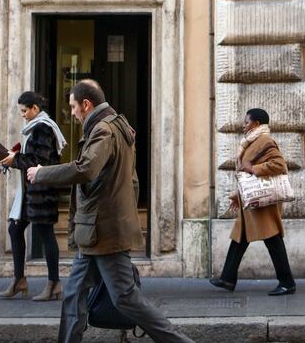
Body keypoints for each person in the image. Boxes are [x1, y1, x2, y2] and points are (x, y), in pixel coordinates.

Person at [26, 80, 192, 343]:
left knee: (126, 299)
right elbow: (133, 181)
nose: (72, 113)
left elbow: (85, 169)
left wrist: (42, 172)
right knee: (73, 296)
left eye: (73, 107)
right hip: (96, 230)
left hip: (105, 232)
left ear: (86, 104)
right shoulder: (116, 126)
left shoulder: (103, 130)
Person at [209, 108, 296, 296]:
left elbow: (279, 165)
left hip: (263, 204)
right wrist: (237, 194)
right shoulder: (251, 142)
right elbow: (245, 176)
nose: (243, 125)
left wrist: (254, 168)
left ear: (256, 124)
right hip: (252, 203)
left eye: (246, 122)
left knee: (273, 240)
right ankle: (227, 278)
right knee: (239, 238)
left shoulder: (265, 140)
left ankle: (287, 282)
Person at [0, 91, 67, 301]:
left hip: (42, 192)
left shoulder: (43, 128)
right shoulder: (35, 128)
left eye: (25, 110)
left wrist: (14, 159)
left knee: (45, 234)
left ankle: (54, 283)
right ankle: (19, 280)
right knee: (15, 228)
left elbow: (41, 160)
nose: (23, 115)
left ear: (35, 109)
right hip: (32, 193)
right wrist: (15, 157)